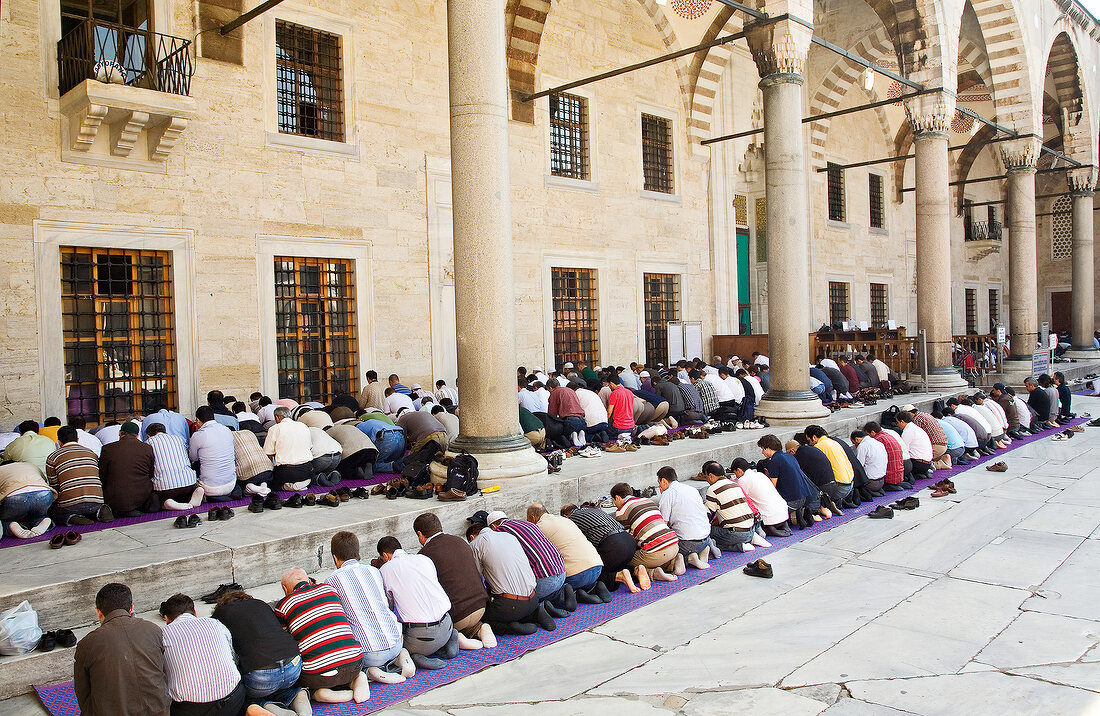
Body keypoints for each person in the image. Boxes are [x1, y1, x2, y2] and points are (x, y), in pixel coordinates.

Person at [377, 536, 482, 670]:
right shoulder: (423, 559)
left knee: (398, 648)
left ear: (385, 555)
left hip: (421, 639)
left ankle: (416, 656)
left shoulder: (386, 569)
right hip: (447, 624)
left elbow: (389, 606)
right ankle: (449, 642)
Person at [274, 568, 370, 704]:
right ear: (308, 580)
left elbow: (285, 640)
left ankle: (319, 693)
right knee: (345, 666)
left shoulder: (283, 605)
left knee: (301, 675)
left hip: (318, 675)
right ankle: (357, 679)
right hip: (355, 663)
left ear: (285, 588)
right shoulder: (329, 589)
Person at [326, 532, 411, 684]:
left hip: (369, 654)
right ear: (358, 553)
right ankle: (401, 658)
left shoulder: (332, 580)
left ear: (334, 557)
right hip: (396, 641)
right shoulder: (374, 571)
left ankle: (371, 671)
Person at [74, 582, 169, 716]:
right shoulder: (153, 630)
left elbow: (83, 694)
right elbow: (162, 674)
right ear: (131, 609)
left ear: (98, 613)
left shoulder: (88, 643)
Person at [211, 590, 309, 716]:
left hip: (260, 676)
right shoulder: (261, 604)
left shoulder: (220, 614)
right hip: (293, 666)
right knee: (278, 684)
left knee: (241, 695)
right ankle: (297, 695)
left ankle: (264, 706)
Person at [414, 513, 497, 646]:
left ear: (420, 534)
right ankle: (480, 628)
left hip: (457, 616)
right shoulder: (460, 541)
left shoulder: (424, 555)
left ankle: (455, 636)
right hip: (481, 607)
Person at [158, 593, 245, 716]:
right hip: (233, 699)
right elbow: (233, 657)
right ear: (195, 612)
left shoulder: (162, 635)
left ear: (166, 619)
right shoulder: (215, 623)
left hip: (190, 709)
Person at [466, 520, 549, 633]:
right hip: (534, 598)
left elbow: (476, 579)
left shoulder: (475, 544)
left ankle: (509, 627)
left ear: (471, 537)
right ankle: (534, 613)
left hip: (509, 606)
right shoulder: (509, 536)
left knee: (479, 617)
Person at [485, 510, 572, 616]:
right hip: (561, 573)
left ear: (493, 526)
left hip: (544, 580)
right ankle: (559, 595)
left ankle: (541, 607)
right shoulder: (528, 524)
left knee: (520, 602)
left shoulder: (500, 533)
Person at [527, 503, 611, 604]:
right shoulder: (565, 520)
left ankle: (572, 595)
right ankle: (592, 588)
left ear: (532, 517)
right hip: (597, 568)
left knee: (550, 586)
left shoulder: (539, 528)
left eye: (528, 520)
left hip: (576, 576)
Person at [611, 482, 679, 589]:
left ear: (618, 498)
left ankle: (650, 572)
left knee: (624, 561)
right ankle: (673, 563)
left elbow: (627, 541)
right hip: (674, 545)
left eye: (613, 500)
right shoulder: (648, 500)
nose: (615, 504)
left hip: (654, 552)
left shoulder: (622, 511)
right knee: (656, 554)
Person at [560, 503, 641, 592]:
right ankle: (635, 571)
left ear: (565, 516)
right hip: (629, 540)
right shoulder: (593, 510)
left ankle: (618, 576)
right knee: (614, 565)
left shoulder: (571, 520)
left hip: (612, 544)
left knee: (592, 572)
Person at [46, 425, 112, 525]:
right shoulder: (91, 453)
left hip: (71, 505)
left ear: (59, 442)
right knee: (89, 506)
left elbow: (55, 486)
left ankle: (71, 517)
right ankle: (99, 510)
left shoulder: (53, 457)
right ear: (77, 439)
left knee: (53, 511)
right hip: (96, 500)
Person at [700, 461, 763, 552]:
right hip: (751, 530)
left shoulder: (713, 489)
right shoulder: (735, 484)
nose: (707, 480)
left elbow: (707, 516)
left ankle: (738, 546)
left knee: (705, 534)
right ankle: (749, 540)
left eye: (706, 477)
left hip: (736, 534)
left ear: (711, 476)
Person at [656, 467, 712, 570]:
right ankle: (701, 551)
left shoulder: (668, 493)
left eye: (659, 482)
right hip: (706, 538)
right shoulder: (691, 489)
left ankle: (689, 558)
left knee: (662, 553)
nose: (659, 486)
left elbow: (663, 524)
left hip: (687, 543)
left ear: (664, 481)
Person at [757, 434, 822, 523]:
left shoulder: (774, 461)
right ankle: (801, 513)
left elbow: (772, 488)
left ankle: (795, 516)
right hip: (804, 498)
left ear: (768, 448)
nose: (762, 452)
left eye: (763, 449)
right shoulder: (789, 456)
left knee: (767, 516)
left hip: (791, 501)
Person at [145, 423, 203, 510]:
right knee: (186, 488)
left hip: (165, 488)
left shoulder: (148, 443)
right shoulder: (179, 439)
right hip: (188, 483)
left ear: (148, 435)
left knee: (158, 496)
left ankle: (166, 503)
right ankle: (192, 495)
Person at [729, 457, 791, 537]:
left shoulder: (743, 480)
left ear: (739, 470)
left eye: (735, 473)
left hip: (768, 518)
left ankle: (769, 529)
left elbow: (740, 499)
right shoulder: (760, 474)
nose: (736, 476)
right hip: (783, 513)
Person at [188, 407, 238, 501]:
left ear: (198, 421)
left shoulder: (198, 435)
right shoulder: (227, 430)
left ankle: (202, 495)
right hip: (231, 484)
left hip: (209, 487)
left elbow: (193, 458)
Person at [0, 460, 55, 538]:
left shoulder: (1, 469)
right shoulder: (30, 465)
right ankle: (42, 521)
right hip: (43, 492)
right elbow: (45, 480)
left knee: (3, 521)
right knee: (38, 515)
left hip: (15, 496)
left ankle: (10, 525)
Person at [264, 408, 315, 490]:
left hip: (286, 472)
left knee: (272, 484)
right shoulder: (303, 426)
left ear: (277, 417)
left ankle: (290, 487)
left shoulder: (275, 429)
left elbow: (268, 453)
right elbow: (309, 446)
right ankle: (302, 484)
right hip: (307, 469)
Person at [803, 425, 854, 502]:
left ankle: (823, 505)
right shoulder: (834, 442)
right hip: (850, 485)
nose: (809, 444)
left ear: (814, 437)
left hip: (838, 487)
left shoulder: (818, 447)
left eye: (809, 441)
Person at [863, 422, 909, 490]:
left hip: (890, 474)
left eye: (868, 434)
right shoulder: (888, 434)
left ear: (872, 432)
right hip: (900, 471)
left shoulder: (877, 440)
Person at [546, 378, 588, 448]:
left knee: (561, 438)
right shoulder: (570, 390)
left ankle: (572, 436)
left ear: (550, 388)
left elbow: (552, 415)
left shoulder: (554, 393)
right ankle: (579, 433)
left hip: (570, 422)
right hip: (582, 421)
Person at [903, 405, 948, 469]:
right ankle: (943, 458)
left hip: (937, 446)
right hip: (944, 445)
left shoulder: (916, 420)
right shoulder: (925, 414)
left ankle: (935, 464)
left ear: (910, 413)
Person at [896, 411, 934, 480]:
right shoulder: (916, 428)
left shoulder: (908, 431)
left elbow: (903, 451)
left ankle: (910, 477)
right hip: (927, 462)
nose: (897, 425)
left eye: (897, 422)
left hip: (918, 464)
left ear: (902, 422)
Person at [850, 430, 887, 494]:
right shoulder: (878, 443)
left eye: (854, 443)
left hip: (871, 483)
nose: (855, 445)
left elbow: (859, 466)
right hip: (882, 481)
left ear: (857, 439)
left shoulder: (862, 446)